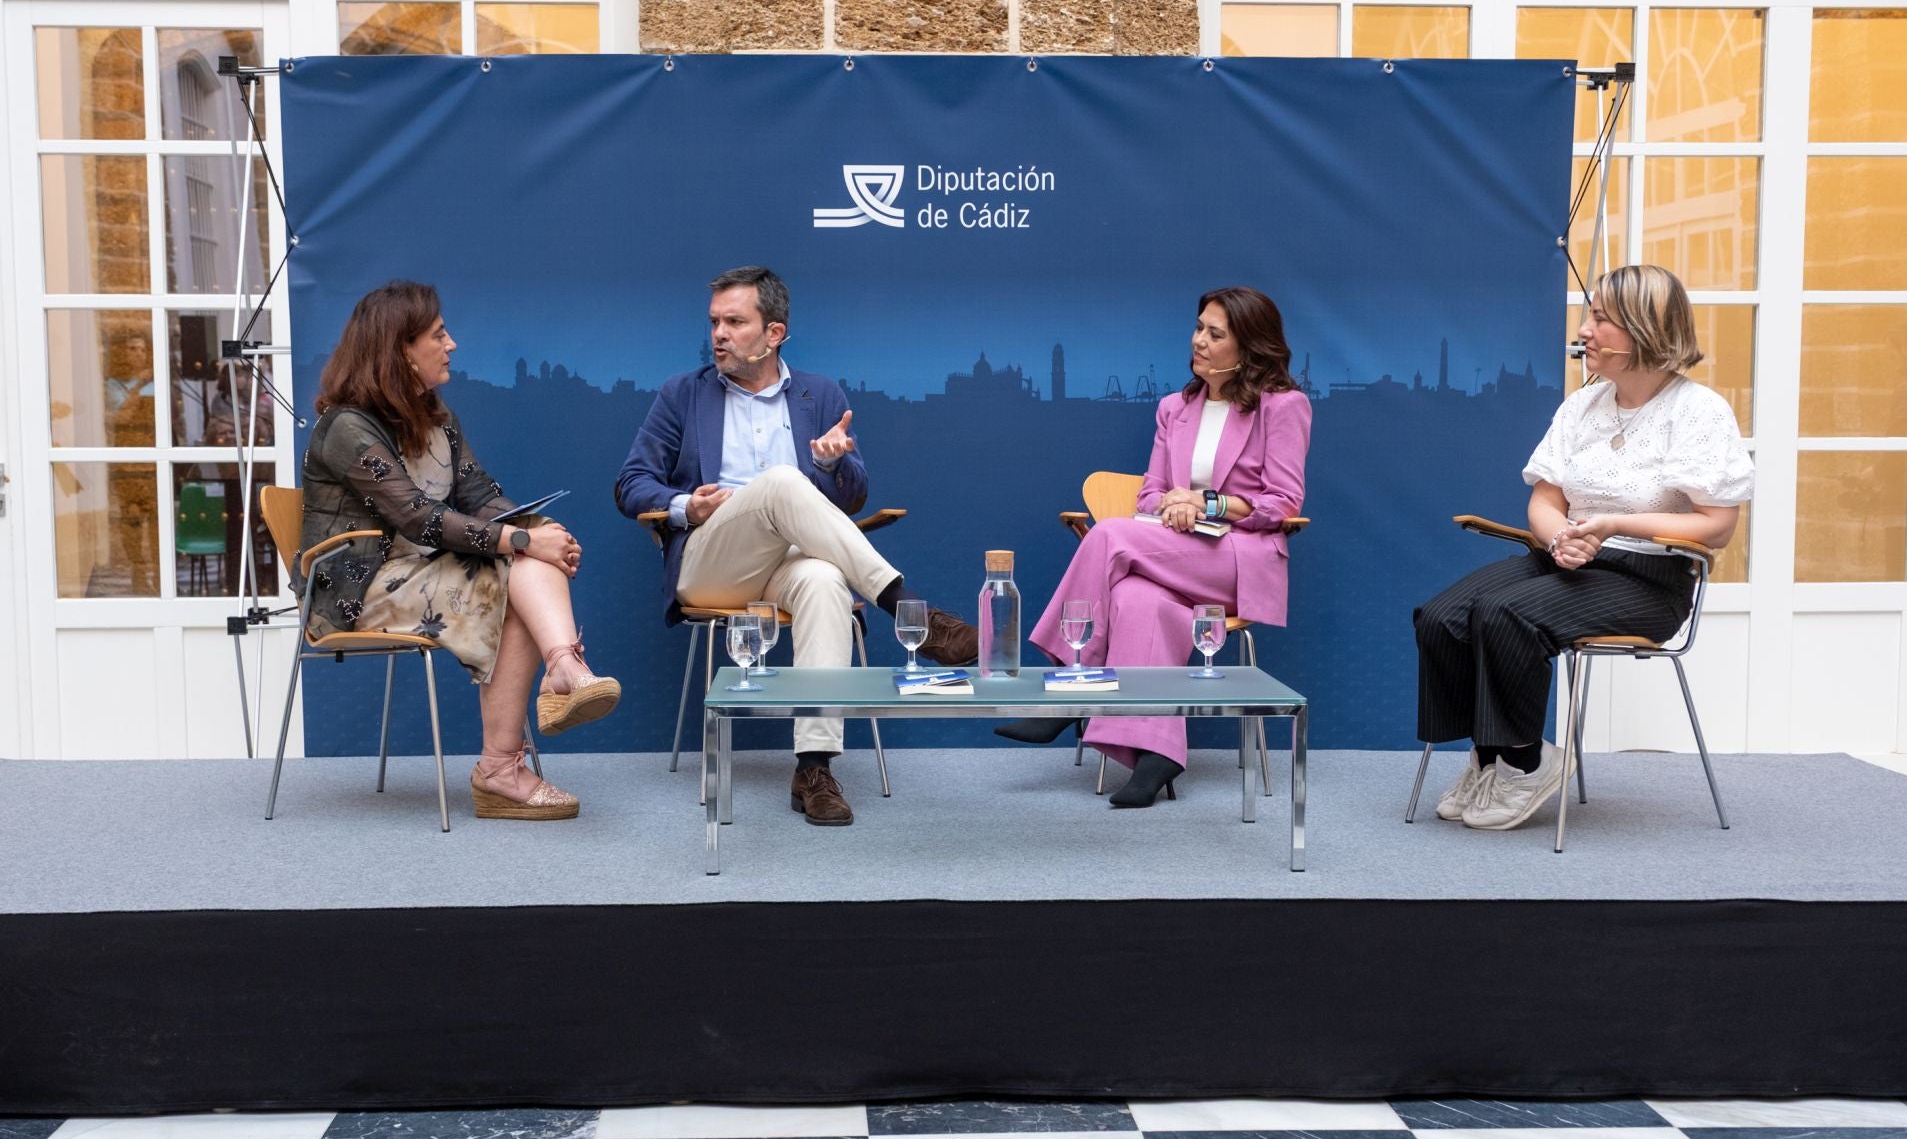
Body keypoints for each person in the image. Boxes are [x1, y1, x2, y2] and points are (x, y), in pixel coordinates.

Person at [615, 266, 974, 827]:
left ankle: (813, 767)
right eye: (715, 322)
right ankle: (913, 613)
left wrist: (832, 462)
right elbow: (631, 484)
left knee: (827, 581)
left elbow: (851, 498)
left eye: (735, 322)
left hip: (788, 564)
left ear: (774, 333)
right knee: (784, 481)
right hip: (713, 559)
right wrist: (688, 505)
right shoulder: (682, 394)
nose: (719, 335)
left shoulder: (820, 393)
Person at [1412, 264, 1754, 830]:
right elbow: (1545, 501)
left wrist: (1614, 523)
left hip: (1649, 580)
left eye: (1600, 318)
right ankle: (1492, 754)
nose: (1585, 330)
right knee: (1442, 616)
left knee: (1504, 615)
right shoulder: (1582, 407)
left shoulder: (1698, 412)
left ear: (1643, 329)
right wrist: (1560, 538)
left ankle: (1525, 761)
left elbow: (1716, 527)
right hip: (1568, 559)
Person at [302, 281, 620, 821]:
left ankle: (552, 687)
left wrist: (541, 531)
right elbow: (416, 518)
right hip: (357, 587)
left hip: (422, 570)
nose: (452, 344)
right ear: (401, 348)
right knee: (514, 565)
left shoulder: (437, 419)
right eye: (438, 334)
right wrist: (523, 540)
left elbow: (480, 496)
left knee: (524, 560)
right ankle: (518, 741)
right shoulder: (346, 428)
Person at [997, 286, 1311, 807]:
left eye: (1216, 333)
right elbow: (1150, 491)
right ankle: (1155, 753)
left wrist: (1207, 504)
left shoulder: (1283, 407)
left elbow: (1281, 502)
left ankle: (1071, 684)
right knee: (1137, 600)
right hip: (1177, 549)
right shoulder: (1175, 407)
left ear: (1250, 346)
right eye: (1198, 328)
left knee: (1110, 535)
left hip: (1236, 559)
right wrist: (1172, 506)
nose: (1199, 341)